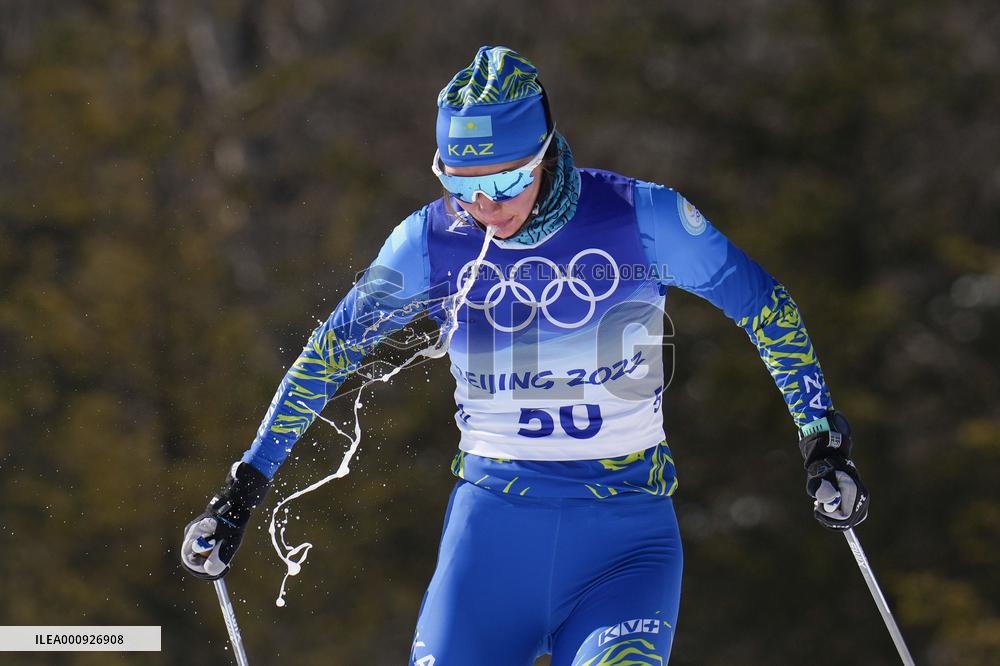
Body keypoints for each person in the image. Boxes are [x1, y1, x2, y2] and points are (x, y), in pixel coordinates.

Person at [181, 45, 870, 665]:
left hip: (624, 543)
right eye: (461, 183)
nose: (485, 205)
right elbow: (329, 354)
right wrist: (244, 489)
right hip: (491, 542)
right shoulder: (428, 243)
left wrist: (822, 440)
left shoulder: (643, 219)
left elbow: (765, 307)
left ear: (544, 153)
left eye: (507, 181)